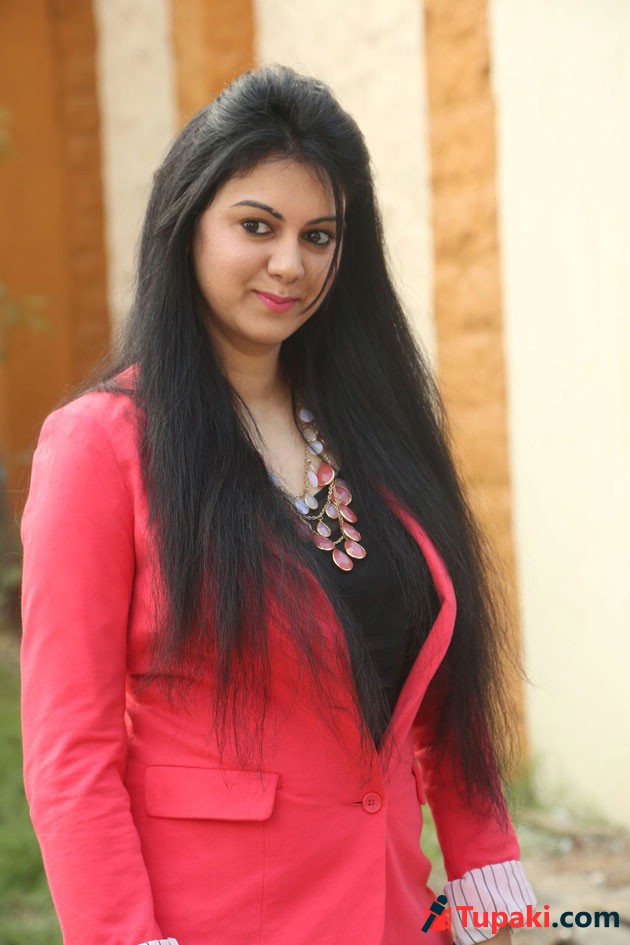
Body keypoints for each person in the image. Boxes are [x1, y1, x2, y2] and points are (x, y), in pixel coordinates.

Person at [20, 65, 536, 945]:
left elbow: (443, 698)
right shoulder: (100, 446)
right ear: (187, 223)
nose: (291, 264)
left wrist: (492, 896)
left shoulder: (375, 429)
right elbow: (71, 753)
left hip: (395, 911)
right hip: (217, 918)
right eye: (256, 226)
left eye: (319, 235)